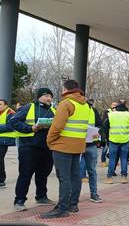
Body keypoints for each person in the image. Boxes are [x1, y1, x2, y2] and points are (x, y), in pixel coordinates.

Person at [41, 79, 91, 219]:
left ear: (65, 90)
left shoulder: (66, 103)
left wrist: (49, 140)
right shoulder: (85, 105)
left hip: (63, 146)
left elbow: (57, 126)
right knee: (75, 176)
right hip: (78, 146)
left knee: (64, 178)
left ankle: (62, 208)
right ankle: (72, 204)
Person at [10, 88, 56, 211]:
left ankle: (41, 197)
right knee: (25, 174)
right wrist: (30, 128)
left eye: (51, 97)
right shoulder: (28, 107)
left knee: (43, 174)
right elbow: (13, 121)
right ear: (39, 97)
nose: (49, 99)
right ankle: (19, 200)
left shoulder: (53, 110)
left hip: (46, 147)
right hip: (29, 147)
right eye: (46, 96)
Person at [102, 102, 129, 184]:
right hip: (125, 140)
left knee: (112, 159)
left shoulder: (111, 114)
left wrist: (108, 137)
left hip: (113, 139)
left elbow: (105, 126)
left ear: (117, 108)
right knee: (124, 159)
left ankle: (109, 178)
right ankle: (124, 177)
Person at [79, 99, 103, 202]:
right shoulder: (75, 110)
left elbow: (99, 124)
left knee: (92, 171)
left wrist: (97, 132)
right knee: (77, 172)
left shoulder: (93, 110)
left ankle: (94, 194)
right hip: (78, 145)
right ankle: (73, 195)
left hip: (91, 144)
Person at [0, 99, 16, 189]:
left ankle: (1, 181)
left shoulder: (10, 113)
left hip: (4, 140)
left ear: (6, 105)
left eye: (0, 104)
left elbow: (11, 126)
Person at [100, 101, 119, 167]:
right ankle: (103, 160)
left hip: (114, 133)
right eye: (113, 105)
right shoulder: (107, 112)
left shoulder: (118, 113)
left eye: (116, 105)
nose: (114, 106)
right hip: (106, 132)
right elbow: (104, 122)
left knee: (112, 149)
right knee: (105, 147)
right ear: (111, 105)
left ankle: (112, 160)